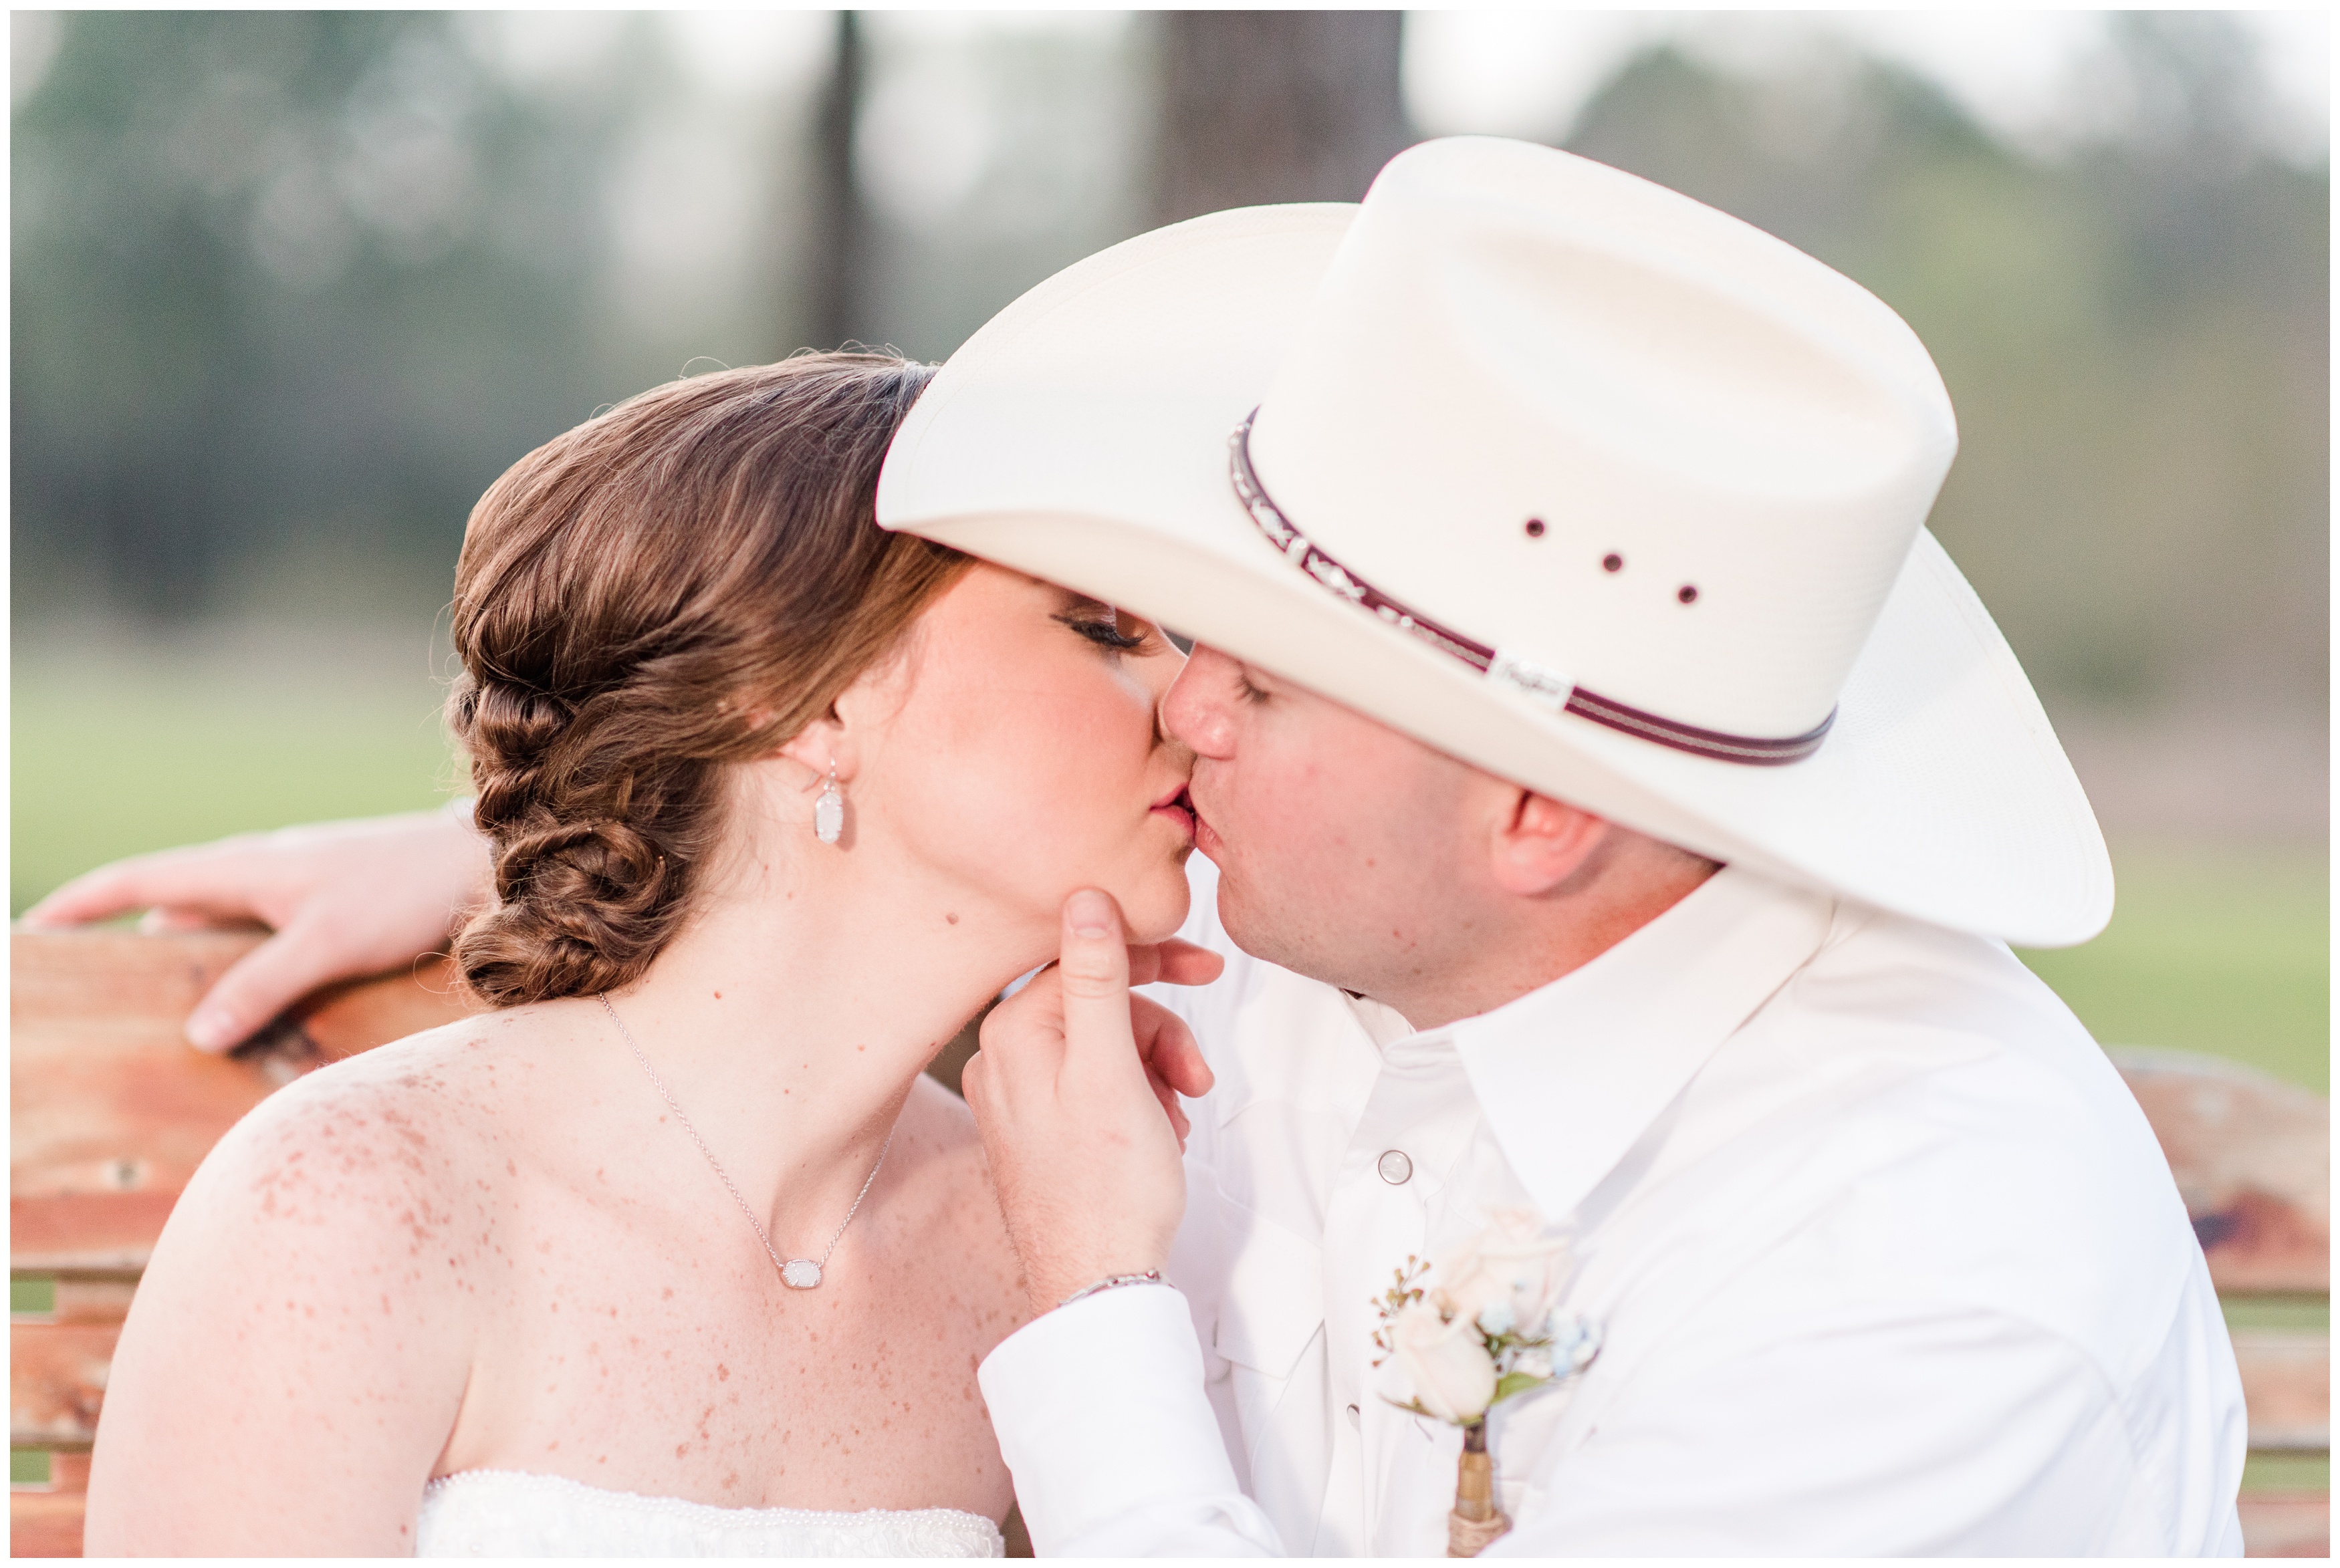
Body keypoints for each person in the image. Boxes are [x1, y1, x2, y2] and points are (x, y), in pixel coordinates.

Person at [41, 139, 2246, 1555]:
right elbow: (804, 844)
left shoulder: (1934, 1266)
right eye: (1132, 630)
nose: (1187, 703)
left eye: (1245, 672)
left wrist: (1101, 1305)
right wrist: (532, 819)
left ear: (1541, 810)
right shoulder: (1333, 926)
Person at [72, 354, 1218, 1555]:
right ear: (811, 709)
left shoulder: (1059, 1235)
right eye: (1102, 629)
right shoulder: (356, 1211)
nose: (1195, 699)